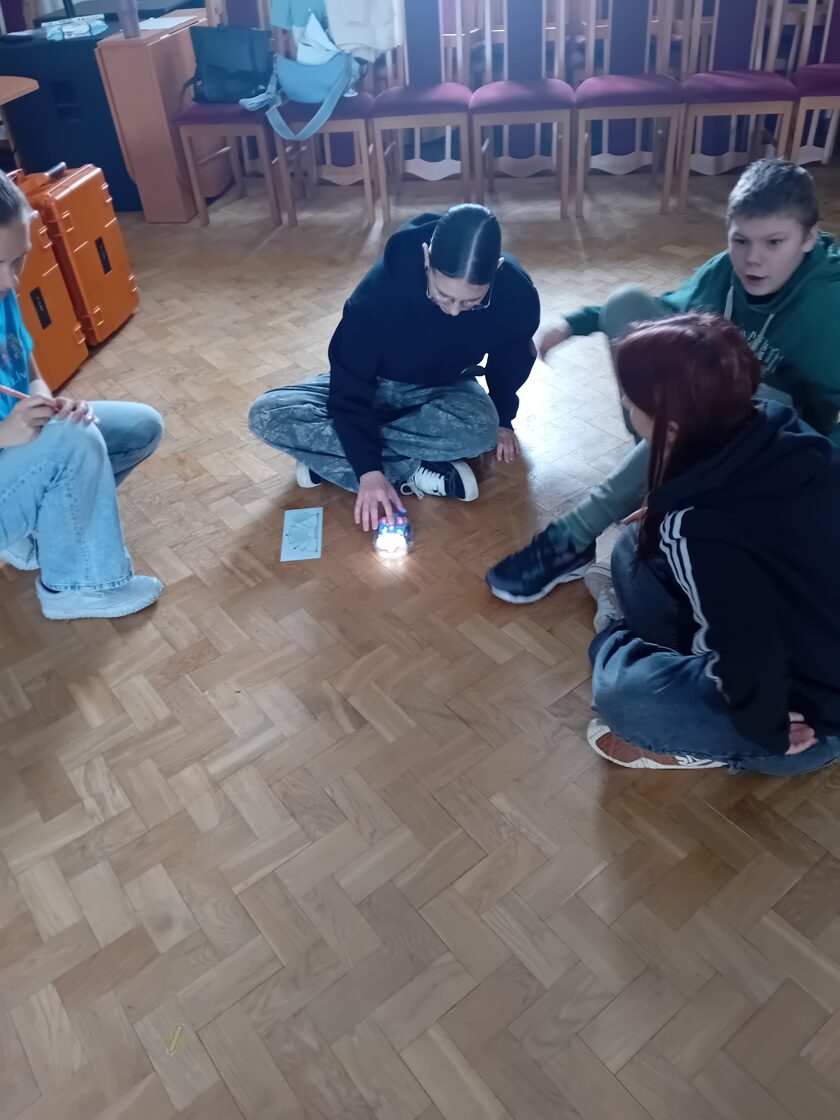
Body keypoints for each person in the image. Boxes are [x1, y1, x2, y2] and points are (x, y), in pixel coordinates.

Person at [486, 158, 840, 602]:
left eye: (774, 242)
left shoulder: (829, 304)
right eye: (740, 239)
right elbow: (668, 318)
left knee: (739, 400)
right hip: (708, 421)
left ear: (808, 238)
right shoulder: (727, 270)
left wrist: (819, 477)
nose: (753, 258)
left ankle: (574, 536)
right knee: (627, 305)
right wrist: (578, 322)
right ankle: (661, 465)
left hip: (779, 447)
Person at [585, 313, 840, 774]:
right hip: (806, 648)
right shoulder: (777, 422)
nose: (623, 400)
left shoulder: (701, 528)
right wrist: (666, 510)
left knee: (622, 698)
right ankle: (643, 640)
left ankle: (616, 637)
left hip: (803, 723)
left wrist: (764, 728)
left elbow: (749, 652)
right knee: (632, 546)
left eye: (630, 396)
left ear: (672, 425)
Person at [249, 204, 540, 530]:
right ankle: (412, 470)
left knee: (482, 430)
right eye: (443, 296)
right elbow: (349, 387)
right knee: (265, 414)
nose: (454, 311)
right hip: (374, 384)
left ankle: (333, 456)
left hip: (443, 387)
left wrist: (503, 417)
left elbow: (511, 357)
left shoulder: (516, 295)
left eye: (472, 302)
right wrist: (368, 471)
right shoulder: (377, 295)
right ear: (427, 258)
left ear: (497, 270)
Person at [0, 172, 163, 620]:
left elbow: (28, 369)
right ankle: (78, 588)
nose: (11, 281)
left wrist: (45, 402)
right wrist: (5, 433)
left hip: (14, 458)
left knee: (138, 427)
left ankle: (42, 539)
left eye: (19, 259)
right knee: (73, 441)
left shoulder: (3, 291)